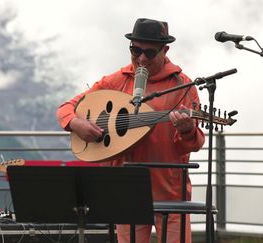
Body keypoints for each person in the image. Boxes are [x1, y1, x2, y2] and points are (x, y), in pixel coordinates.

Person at [57, 18, 205, 243]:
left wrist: (187, 131)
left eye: (150, 53)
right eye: (135, 51)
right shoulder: (116, 81)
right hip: (125, 187)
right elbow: (66, 109)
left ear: (165, 50)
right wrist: (76, 124)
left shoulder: (182, 86)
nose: (142, 59)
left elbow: (192, 145)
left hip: (169, 190)